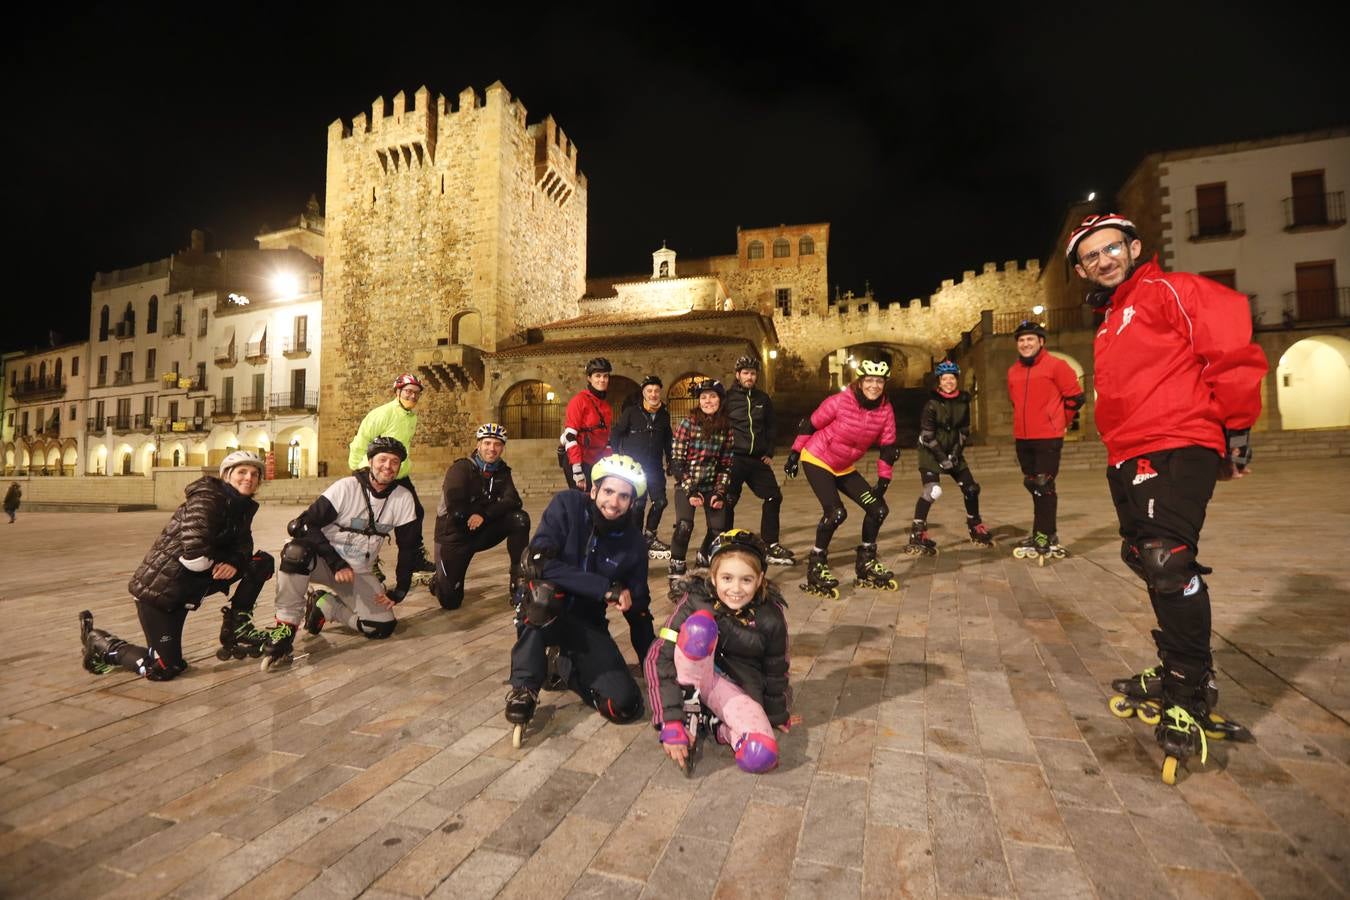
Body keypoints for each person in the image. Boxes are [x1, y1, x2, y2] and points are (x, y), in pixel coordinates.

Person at [1068, 213, 1267, 783]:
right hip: (1128, 451)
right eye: (1090, 256)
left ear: (1133, 247)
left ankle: (1189, 687)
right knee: (1143, 556)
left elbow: (1229, 344)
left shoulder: (1170, 290)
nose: (1103, 260)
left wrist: (1236, 429)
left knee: (1167, 559)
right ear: (1081, 269)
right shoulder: (1109, 321)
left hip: (1177, 438)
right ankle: (1176, 664)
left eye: (1111, 248)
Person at [78, 451, 275, 679]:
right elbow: (195, 552)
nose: (248, 478)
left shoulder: (241, 507)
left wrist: (234, 562)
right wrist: (225, 565)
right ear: (226, 475)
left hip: (189, 587)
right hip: (162, 593)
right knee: (164, 668)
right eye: (242, 472)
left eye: (254, 474)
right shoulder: (208, 499)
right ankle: (103, 646)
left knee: (261, 562)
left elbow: (244, 546)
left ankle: (238, 627)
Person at [505, 455, 653, 739]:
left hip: (586, 623)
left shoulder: (633, 544)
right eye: (608, 491)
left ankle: (564, 668)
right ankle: (524, 687)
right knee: (542, 596)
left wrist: (654, 666)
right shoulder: (568, 506)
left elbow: (640, 610)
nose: (614, 502)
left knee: (625, 706)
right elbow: (538, 562)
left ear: (632, 502)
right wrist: (603, 587)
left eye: (624, 496)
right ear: (594, 490)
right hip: (545, 612)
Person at [645, 529, 793, 776]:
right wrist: (669, 719)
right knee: (699, 627)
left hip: (732, 688)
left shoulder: (771, 617)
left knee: (760, 755)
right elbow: (659, 655)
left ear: (760, 580)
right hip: (691, 674)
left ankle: (716, 726)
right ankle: (690, 705)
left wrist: (777, 714)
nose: (736, 588)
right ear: (713, 577)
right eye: (727, 578)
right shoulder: (695, 600)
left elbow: (776, 667)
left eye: (746, 580)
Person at [268, 437, 420, 668]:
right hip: (322, 562)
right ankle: (285, 628)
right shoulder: (346, 487)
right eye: (382, 459)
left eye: (394, 462)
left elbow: (408, 547)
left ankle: (324, 605)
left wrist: (400, 589)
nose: (388, 466)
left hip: (357, 570)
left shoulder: (403, 498)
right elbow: (304, 524)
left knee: (381, 626)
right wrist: (336, 562)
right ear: (370, 461)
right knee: (295, 551)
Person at [785, 359, 901, 597]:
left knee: (878, 509)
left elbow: (888, 446)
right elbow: (810, 425)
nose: (874, 386)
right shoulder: (839, 401)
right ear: (860, 382)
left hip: (844, 467)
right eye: (869, 380)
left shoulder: (885, 410)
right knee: (836, 513)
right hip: (818, 458)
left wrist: (883, 480)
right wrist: (794, 454)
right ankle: (816, 565)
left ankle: (866, 562)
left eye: (879, 381)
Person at [1006, 320, 1085, 562]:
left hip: (1048, 437)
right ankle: (1044, 532)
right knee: (1032, 484)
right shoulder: (1013, 371)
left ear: (1041, 342)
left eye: (1030, 339)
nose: (1025, 343)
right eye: (1021, 340)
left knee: (1044, 484)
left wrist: (1059, 421)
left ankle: (1043, 534)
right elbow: (1015, 402)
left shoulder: (1056, 366)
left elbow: (1076, 398)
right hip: (1023, 437)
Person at [431, 423, 530, 611]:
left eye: (497, 444)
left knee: (519, 519)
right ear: (478, 445)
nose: (492, 448)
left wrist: (484, 514)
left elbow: (514, 501)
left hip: (480, 531)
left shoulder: (502, 471)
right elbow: (456, 510)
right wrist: (478, 513)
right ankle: (439, 580)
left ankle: (518, 581)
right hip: (454, 537)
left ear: (503, 448)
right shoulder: (460, 469)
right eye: (487, 443)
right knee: (450, 602)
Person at [347, 373, 435, 577]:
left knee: (415, 513)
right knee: (370, 517)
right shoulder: (382, 413)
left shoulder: (412, 417)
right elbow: (361, 441)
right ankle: (367, 561)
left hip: (399, 474)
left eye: (416, 393)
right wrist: (359, 469)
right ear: (397, 392)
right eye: (408, 392)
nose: (413, 396)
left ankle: (413, 558)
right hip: (374, 474)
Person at [907, 359, 993, 554]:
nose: (949, 382)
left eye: (952, 378)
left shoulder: (963, 401)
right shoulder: (931, 404)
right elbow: (927, 436)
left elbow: (964, 430)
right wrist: (942, 458)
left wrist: (954, 454)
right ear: (939, 381)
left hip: (952, 449)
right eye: (945, 379)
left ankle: (975, 525)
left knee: (971, 488)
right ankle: (917, 532)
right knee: (933, 490)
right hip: (931, 452)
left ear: (956, 380)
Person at [723, 355, 794, 566]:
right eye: (745, 373)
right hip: (735, 458)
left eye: (753, 373)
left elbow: (771, 426)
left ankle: (770, 544)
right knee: (728, 500)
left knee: (774, 496)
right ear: (738, 375)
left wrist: (769, 451)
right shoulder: (727, 398)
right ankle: (724, 543)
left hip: (757, 460)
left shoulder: (763, 399)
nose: (749, 377)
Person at [667, 379, 734, 578]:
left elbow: (726, 464)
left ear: (720, 400)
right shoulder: (688, 423)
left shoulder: (726, 427)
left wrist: (719, 492)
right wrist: (690, 490)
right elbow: (676, 463)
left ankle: (704, 556)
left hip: (711, 484)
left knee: (718, 529)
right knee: (684, 526)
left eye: (712, 396)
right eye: (704, 397)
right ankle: (677, 566)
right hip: (688, 483)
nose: (708, 401)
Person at [611, 374, 673, 559]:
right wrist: (616, 455)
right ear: (644, 393)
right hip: (635, 468)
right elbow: (616, 433)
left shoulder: (664, 415)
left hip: (655, 468)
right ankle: (636, 540)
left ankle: (650, 537)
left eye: (656, 391)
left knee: (660, 502)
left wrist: (671, 460)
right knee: (637, 505)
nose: (653, 394)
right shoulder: (631, 412)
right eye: (649, 391)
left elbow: (668, 440)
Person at [558, 357, 615, 491]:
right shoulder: (579, 401)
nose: (602, 380)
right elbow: (570, 436)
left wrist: (609, 465)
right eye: (597, 376)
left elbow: (606, 441)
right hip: (577, 459)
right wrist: (577, 470)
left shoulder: (606, 407)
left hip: (596, 461)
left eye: (605, 376)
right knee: (581, 500)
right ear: (589, 378)